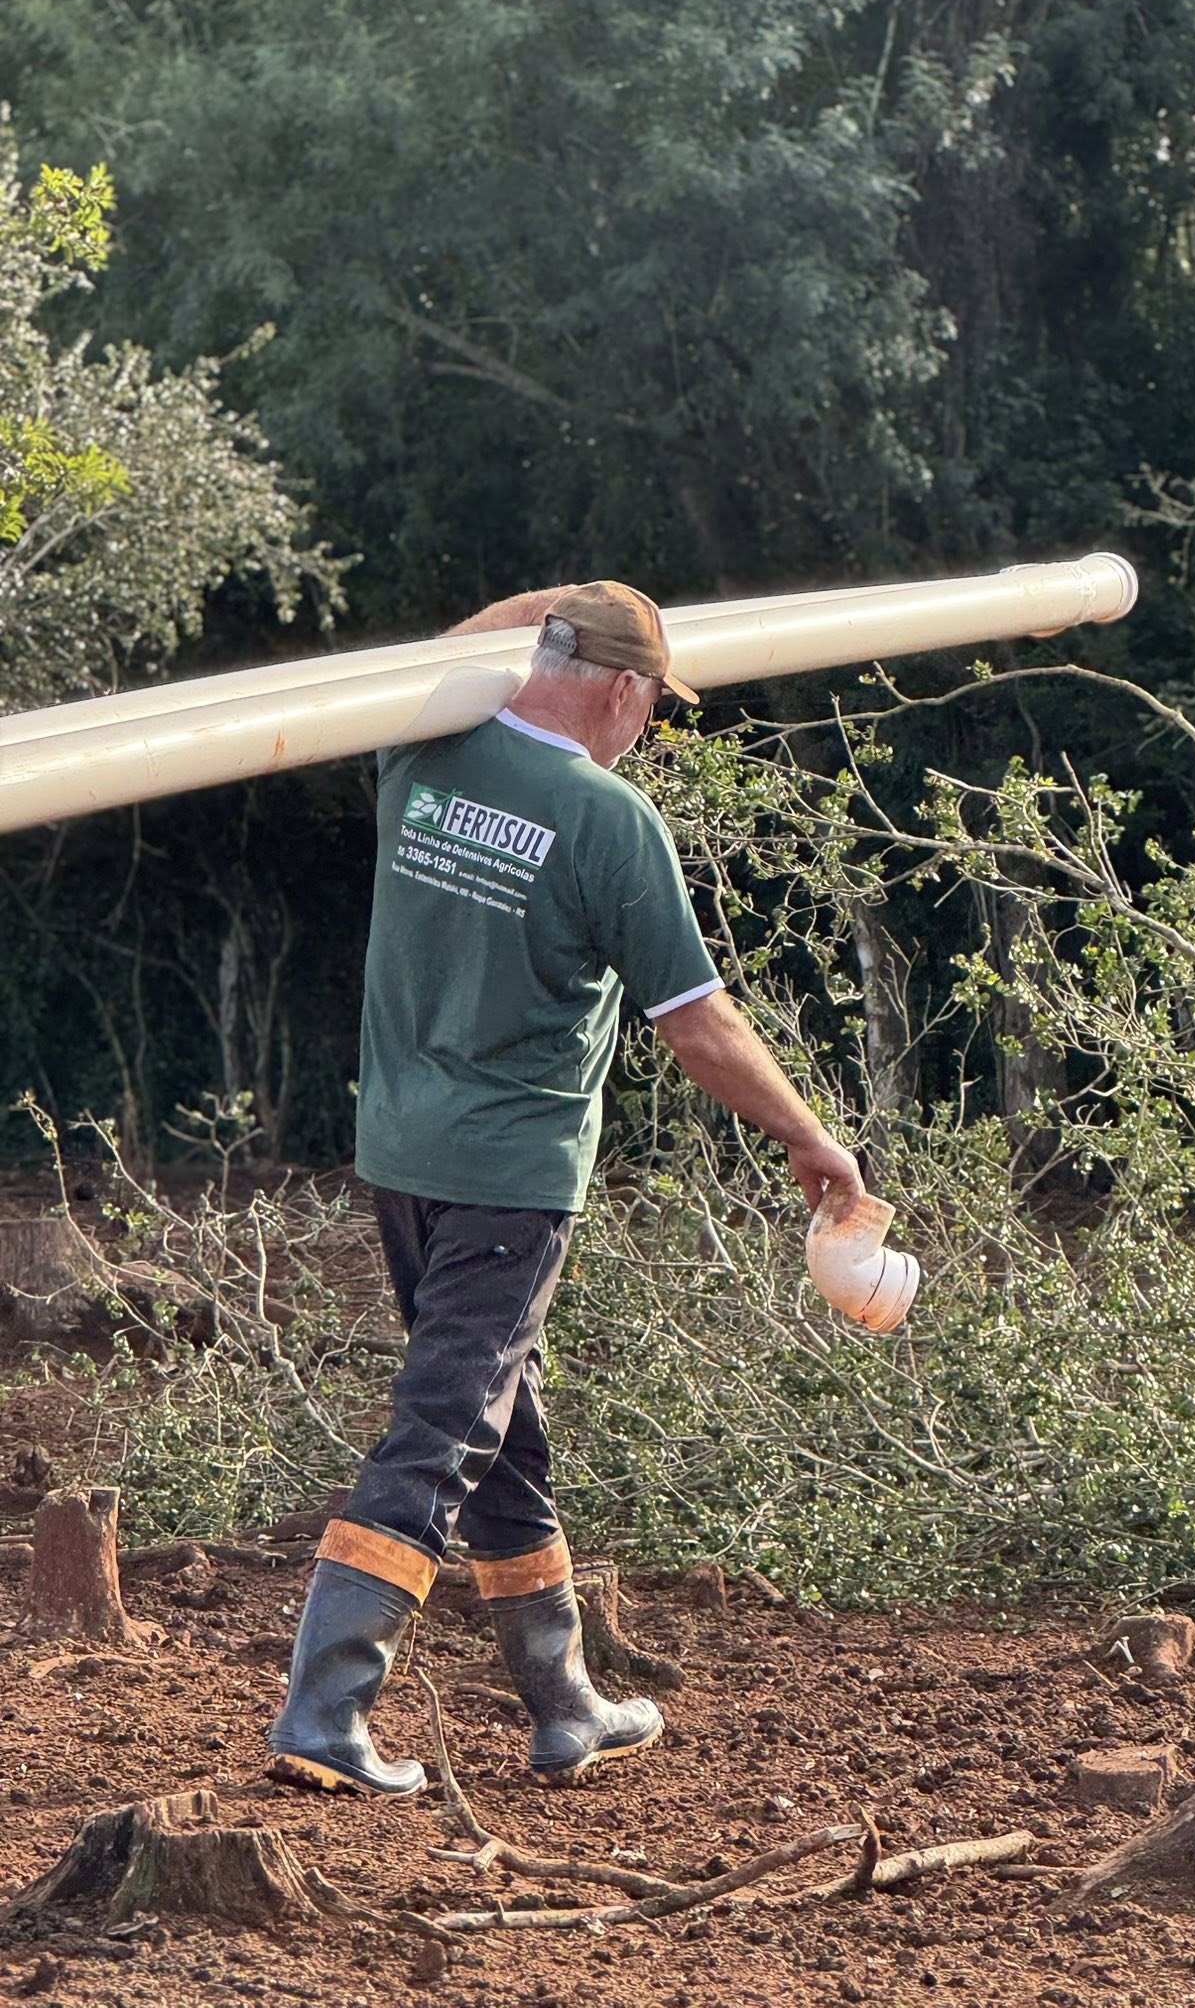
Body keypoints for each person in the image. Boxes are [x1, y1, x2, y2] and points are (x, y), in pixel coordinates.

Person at [267, 579, 863, 1796]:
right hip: (511, 1173)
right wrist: (812, 1138)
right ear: (626, 688)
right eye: (652, 700)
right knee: (445, 1427)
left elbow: (437, 649)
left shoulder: (421, 747)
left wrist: (565, 598)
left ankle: (565, 1701)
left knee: (502, 1423)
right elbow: (696, 1022)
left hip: (402, 1156)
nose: (649, 722)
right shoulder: (607, 816)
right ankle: (326, 1708)